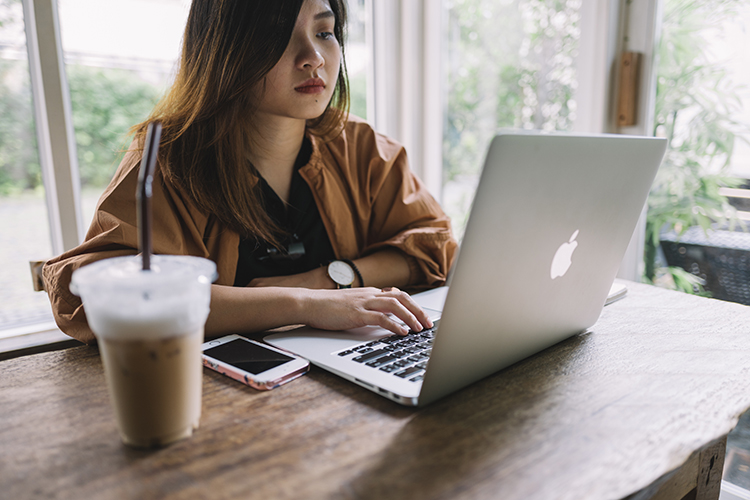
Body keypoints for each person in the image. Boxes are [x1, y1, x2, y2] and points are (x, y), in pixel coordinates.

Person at [43, 0, 457, 345]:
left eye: (325, 32)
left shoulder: (361, 147)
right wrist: (300, 303)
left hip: (345, 376)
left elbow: (432, 245)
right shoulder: (167, 161)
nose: (313, 57)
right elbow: (93, 297)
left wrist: (329, 280)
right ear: (223, 50)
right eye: (275, 35)